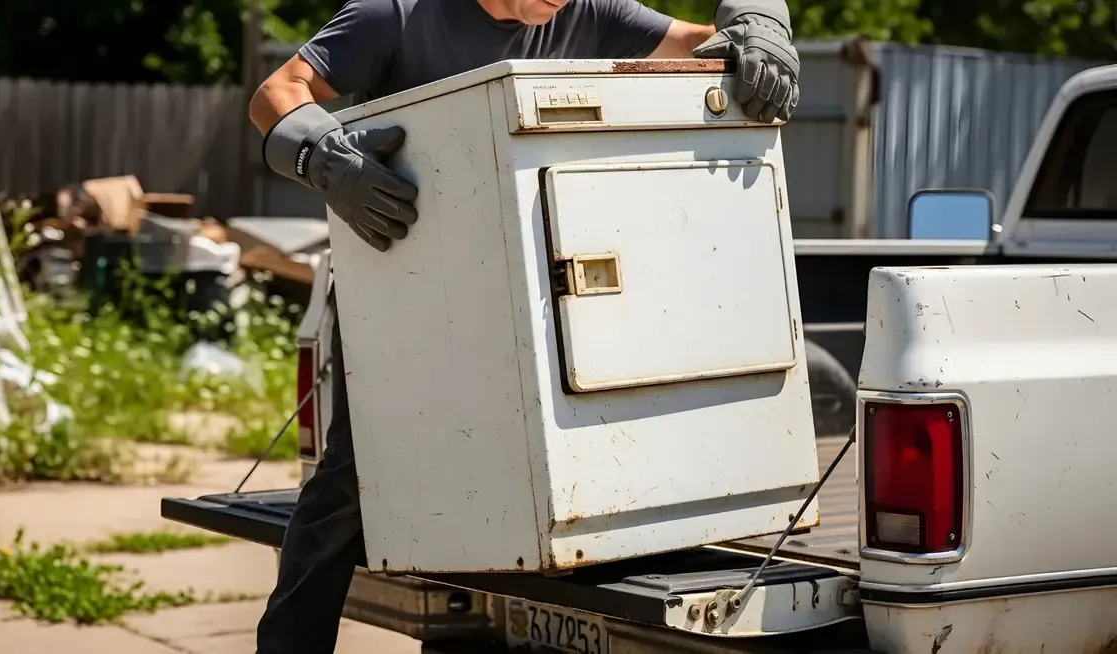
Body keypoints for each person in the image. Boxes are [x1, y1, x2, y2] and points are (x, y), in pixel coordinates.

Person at [249, 0, 800, 651]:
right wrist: (323, 159)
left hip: (531, 291)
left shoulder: (590, 10)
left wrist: (761, 21)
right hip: (408, 290)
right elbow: (278, 90)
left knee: (531, 473)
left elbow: (703, 44)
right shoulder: (394, 15)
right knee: (354, 476)